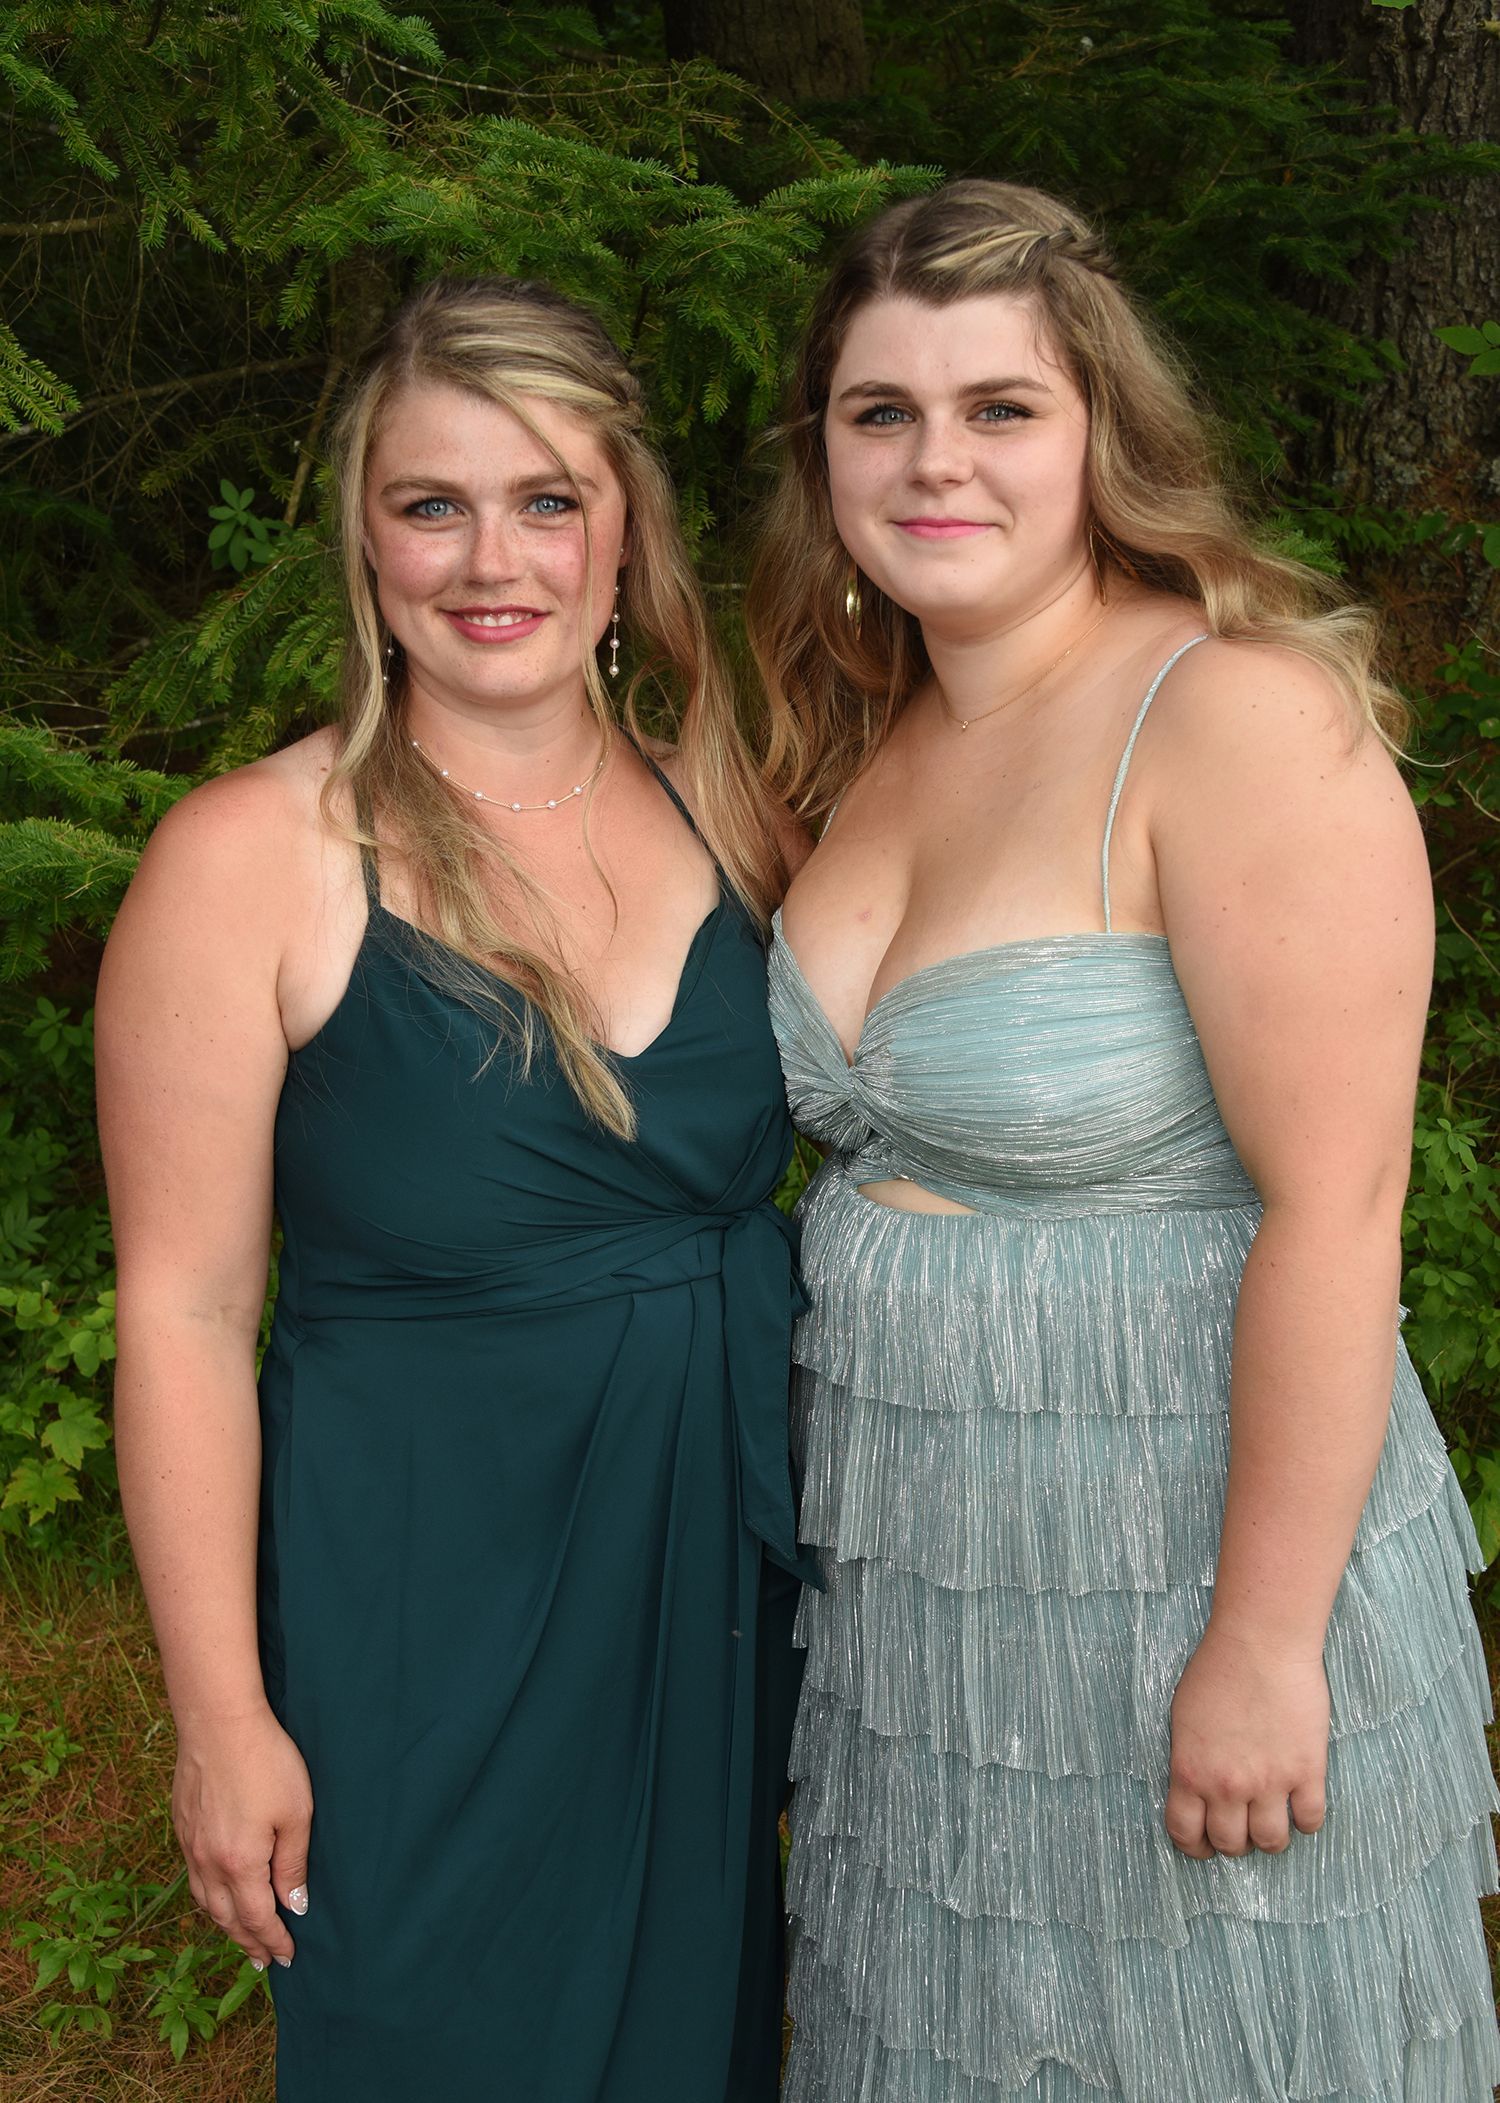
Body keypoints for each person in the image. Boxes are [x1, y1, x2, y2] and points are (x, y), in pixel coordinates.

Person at [747, 180, 1500, 2101]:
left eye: (1002, 408)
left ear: (1105, 436)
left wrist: (1262, 1642)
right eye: (880, 411)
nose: (938, 462)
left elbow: (1337, 1214)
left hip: (1185, 1552)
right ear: (820, 447)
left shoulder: (1236, 716)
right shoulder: (860, 733)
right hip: (923, 1581)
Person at [96, 275, 812, 2101]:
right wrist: (222, 1716)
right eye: (432, 504)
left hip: (712, 1592)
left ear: (625, 526)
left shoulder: (741, 809)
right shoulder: (252, 859)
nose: (492, 559)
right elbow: (182, 1316)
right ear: (363, 537)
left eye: (547, 499)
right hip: (427, 1618)